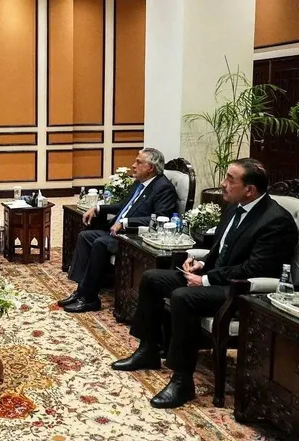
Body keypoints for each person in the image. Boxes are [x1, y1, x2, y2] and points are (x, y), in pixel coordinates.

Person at [112, 158, 298, 408]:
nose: (222, 184)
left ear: (250, 189)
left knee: (183, 297)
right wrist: (199, 263)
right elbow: (221, 248)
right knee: (153, 278)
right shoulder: (235, 207)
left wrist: (206, 279)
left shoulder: (276, 220)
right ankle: (148, 350)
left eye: (230, 179)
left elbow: (255, 268)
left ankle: (182, 380)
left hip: (241, 290)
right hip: (216, 277)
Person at [60, 148, 178, 313]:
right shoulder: (140, 183)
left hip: (132, 237)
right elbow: (124, 206)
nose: (133, 165)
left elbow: (160, 218)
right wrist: (98, 208)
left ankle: (90, 299)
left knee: (100, 243)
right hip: (116, 231)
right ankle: (81, 291)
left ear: (151, 167)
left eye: (138, 162)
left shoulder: (163, 188)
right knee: (85, 236)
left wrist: (125, 222)